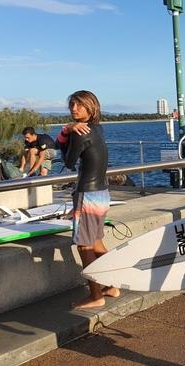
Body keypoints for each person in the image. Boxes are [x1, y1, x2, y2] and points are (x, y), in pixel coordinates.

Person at [62, 90, 119, 309]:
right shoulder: (98, 128)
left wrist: (67, 131)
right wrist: (68, 128)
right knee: (95, 242)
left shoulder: (80, 132)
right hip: (102, 193)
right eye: (72, 105)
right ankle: (112, 284)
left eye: (79, 105)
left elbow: (68, 161)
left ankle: (96, 295)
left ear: (90, 107)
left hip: (87, 193)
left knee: (84, 246)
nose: (74, 109)